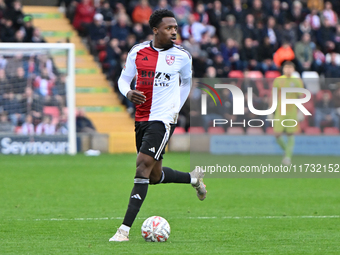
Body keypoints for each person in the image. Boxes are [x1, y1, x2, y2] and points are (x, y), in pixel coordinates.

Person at [110, 9, 206, 242]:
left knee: (141, 166)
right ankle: (193, 179)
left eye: (175, 27)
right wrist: (128, 92)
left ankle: (123, 230)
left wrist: (175, 109)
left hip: (163, 120)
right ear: (155, 30)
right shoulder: (138, 51)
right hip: (141, 117)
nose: (174, 31)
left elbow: (186, 83)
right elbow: (123, 80)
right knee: (153, 175)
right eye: (168, 28)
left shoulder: (182, 56)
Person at [273, 61, 304, 165]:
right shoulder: (278, 80)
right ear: (283, 69)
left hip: (292, 110)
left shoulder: (297, 81)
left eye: (290, 67)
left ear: (293, 69)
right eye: (286, 67)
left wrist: (301, 110)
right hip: (280, 110)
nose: (288, 69)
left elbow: (300, 96)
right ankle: (287, 151)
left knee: (290, 133)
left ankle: (287, 158)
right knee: (277, 134)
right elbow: (273, 95)